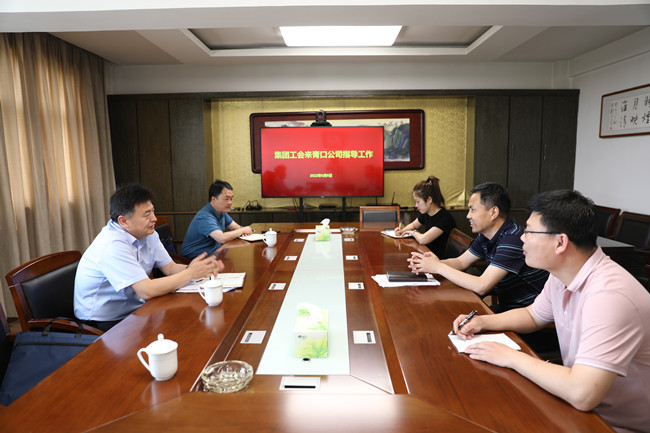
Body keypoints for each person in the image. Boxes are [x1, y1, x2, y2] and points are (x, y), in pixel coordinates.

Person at [453, 190, 650, 433]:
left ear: (560, 242)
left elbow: (582, 393)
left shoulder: (609, 296)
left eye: (529, 232)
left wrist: (510, 357)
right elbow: (532, 316)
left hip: (614, 424)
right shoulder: (561, 274)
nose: (522, 238)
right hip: (578, 409)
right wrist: (483, 322)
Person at [408, 182, 556, 354]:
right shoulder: (486, 235)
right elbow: (461, 262)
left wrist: (439, 267)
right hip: (509, 311)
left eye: (472, 210)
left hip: (531, 325)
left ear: (493, 212)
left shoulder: (513, 238)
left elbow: (482, 285)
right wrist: (431, 264)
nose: (468, 216)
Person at [74, 183, 222, 331]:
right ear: (124, 221)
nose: (154, 218)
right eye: (147, 214)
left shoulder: (148, 233)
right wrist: (190, 273)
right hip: (103, 322)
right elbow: (146, 290)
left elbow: (170, 268)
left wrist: (200, 268)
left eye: (153, 211)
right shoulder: (112, 244)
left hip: (136, 308)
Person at [180, 180, 253, 259]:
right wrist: (243, 230)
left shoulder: (222, 212)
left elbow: (235, 227)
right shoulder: (205, 216)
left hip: (213, 253)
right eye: (226, 199)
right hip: (194, 259)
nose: (230, 202)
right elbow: (221, 238)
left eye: (231, 199)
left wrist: (243, 230)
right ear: (213, 199)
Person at [394, 175, 456, 258]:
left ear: (429, 200)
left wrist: (413, 233)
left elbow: (423, 239)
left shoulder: (444, 218)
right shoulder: (426, 213)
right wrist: (402, 231)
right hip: (429, 255)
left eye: (418, 201)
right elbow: (414, 225)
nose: (416, 205)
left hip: (440, 260)